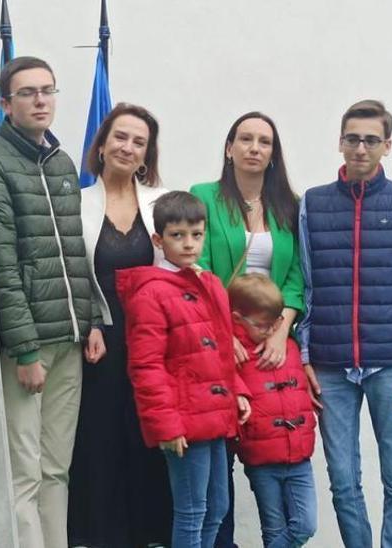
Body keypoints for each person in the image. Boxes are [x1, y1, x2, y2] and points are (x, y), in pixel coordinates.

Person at [0, 56, 101, 548]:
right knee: (25, 472)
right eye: (27, 92)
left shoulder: (62, 163)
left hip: (69, 338)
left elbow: (73, 253)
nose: (41, 100)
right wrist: (24, 350)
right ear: (5, 103)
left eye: (48, 90)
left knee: (56, 467)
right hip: (27, 348)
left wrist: (92, 321)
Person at [296, 99, 392, 548]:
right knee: (343, 481)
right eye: (353, 138)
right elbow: (306, 288)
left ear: (387, 146)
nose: (361, 148)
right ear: (340, 142)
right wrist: (303, 356)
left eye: (371, 140)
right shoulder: (313, 204)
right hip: (329, 366)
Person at [189, 112, 305, 547]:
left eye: (265, 142)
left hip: (272, 344)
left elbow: (295, 275)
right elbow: (195, 270)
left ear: (273, 155)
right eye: (246, 139)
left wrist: (280, 331)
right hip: (218, 340)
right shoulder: (203, 197)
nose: (255, 148)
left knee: (268, 446)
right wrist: (223, 333)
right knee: (219, 452)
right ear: (229, 147)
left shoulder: (288, 205)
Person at [117, 191, 251, 548]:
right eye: (178, 235)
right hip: (183, 422)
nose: (189, 243)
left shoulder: (209, 284)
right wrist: (166, 425)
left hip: (214, 416)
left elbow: (223, 348)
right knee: (191, 512)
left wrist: (237, 391)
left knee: (218, 508)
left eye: (196, 234)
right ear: (159, 240)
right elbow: (146, 367)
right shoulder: (150, 294)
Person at [69, 103, 172, 548]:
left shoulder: (162, 202)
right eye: (120, 137)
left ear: (147, 153)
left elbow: (174, 269)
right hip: (101, 344)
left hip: (152, 343)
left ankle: (150, 536)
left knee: (148, 442)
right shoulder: (75, 204)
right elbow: (72, 273)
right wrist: (91, 321)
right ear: (103, 144)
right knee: (101, 445)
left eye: (138, 141)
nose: (127, 147)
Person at [228, 273, 318, 548]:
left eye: (274, 324)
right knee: (273, 527)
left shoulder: (289, 347)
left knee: (305, 524)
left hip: (299, 457)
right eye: (262, 325)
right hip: (261, 460)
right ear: (237, 318)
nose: (269, 331)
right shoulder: (235, 354)